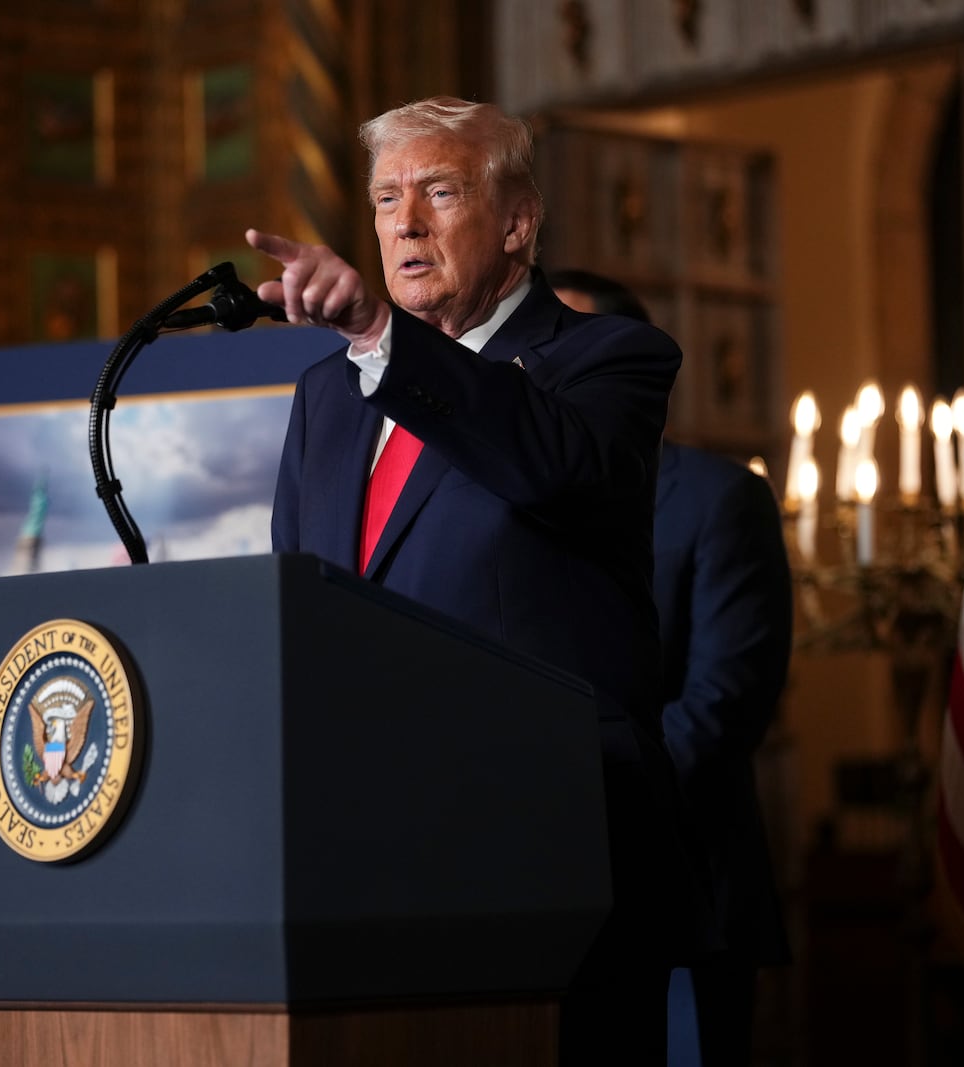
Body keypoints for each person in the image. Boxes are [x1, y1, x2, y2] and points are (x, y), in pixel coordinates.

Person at [247, 96, 715, 1065]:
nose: (404, 222)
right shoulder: (324, 397)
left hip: (551, 859)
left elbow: (543, 462)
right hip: (369, 869)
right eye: (385, 200)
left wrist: (384, 335)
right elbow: (302, 601)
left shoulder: (606, 360)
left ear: (516, 222)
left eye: (438, 192)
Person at [552, 269, 794, 1067]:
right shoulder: (512, 499)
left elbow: (725, 702)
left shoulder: (720, 499)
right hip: (538, 901)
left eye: (557, 347)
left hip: (682, 883)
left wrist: (579, 803)